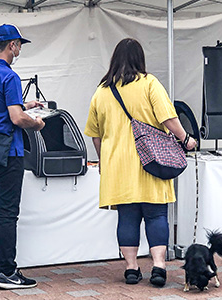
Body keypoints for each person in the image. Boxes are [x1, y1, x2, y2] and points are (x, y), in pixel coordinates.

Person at [84, 38, 196, 287]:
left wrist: (103, 160)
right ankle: (158, 267)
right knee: (156, 214)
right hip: (151, 161)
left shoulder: (101, 91)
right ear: (140, 59)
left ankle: (132, 269)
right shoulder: (149, 83)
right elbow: (168, 117)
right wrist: (186, 138)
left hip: (117, 166)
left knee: (127, 217)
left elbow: (95, 133)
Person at [0, 24, 45, 290]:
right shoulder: (10, 76)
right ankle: (8, 272)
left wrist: (26, 105)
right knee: (7, 215)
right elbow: (15, 118)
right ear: (12, 45)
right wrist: (36, 122)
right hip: (8, 151)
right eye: (19, 45)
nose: (19, 50)